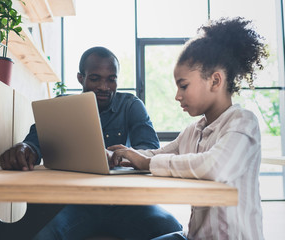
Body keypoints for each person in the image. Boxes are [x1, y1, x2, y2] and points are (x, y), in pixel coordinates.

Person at [109, 17, 268, 240]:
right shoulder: (194, 131)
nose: (177, 95)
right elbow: (154, 156)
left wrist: (147, 162)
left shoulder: (243, 122)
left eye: (183, 85)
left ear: (215, 81)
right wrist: (118, 155)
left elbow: (215, 167)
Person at [0, 46, 183, 239]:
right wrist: (25, 148)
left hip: (127, 202)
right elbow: (35, 144)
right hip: (77, 202)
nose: (104, 87)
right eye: (95, 78)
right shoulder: (62, 106)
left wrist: (122, 156)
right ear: (81, 78)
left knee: (174, 231)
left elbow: (151, 152)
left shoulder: (131, 105)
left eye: (111, 79)